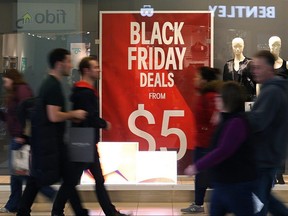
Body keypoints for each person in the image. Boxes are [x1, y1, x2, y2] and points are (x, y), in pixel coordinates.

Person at [52, 56, 130, 216]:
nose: (99, 70)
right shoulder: (85, 93)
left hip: (85, 141)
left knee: (93, 180)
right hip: (83, 141)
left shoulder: (82, 91)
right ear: (86, 71)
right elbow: (89, 116)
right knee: (72, 181)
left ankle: (108, 211)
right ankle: (58, 210)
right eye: (95, 67)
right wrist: (104, 124)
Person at [16, 48, 87, 216]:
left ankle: (73, 212)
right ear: (59, 63)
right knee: (43, 179)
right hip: (51, 144)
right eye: (68, 61)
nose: (70, 65)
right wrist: (73, 114)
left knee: (52, 178)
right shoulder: (53, 86)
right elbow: (53, 116)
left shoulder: (49, 84)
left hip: (49, 142)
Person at [185, 81, 257, 216]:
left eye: (219, 96)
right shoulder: (228, 120)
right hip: (224, 183)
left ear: (227, 100)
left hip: (237, 184)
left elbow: (222, 151)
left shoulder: (236, 123)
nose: (216, 99)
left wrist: (197, 167)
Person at [0, 69, 56, 214]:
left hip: (21, 139)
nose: (4, 84)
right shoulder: (16, 92)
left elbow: (25, 114)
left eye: (6, 81)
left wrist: (21, 134)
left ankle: (51, 194)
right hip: (18, 137)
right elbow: (12, 115)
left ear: (12, 79)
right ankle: (14, 204)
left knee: (23, 174)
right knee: (18, 174)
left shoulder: (21, 90)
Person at [248, 50, 288, 216]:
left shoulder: (272, 91)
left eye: (258, 67)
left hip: (265, 156)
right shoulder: (273, 89)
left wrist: (236, 118)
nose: (254, 71)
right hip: (269, 154)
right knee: (265, 198)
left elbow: (258, 122)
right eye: (254, 68)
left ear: (269, 69)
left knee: (258, 203)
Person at [181, 67, 221, 214]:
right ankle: (199, 203)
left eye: (197, 76)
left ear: (204, 79)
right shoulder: (205, 94)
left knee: (204, 175)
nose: (195, 79)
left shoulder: (209, 96)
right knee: (204, 175)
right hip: (204, 142)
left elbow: (215, 120)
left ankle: (199, 204)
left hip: (207, 143)